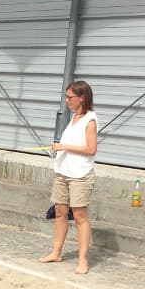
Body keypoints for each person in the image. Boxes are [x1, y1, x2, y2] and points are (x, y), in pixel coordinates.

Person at [38, 80, 98, 274]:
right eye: (66, 96)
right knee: (60, 212)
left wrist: (64, 146)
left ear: (82, 98)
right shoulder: (73, 119)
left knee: (80, 216)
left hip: (80, 176)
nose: (67, 101)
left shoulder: (90, 120)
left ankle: (82, 260)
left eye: (70, 97)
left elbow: (91, 149)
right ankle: (56, 252)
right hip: (63, 172)